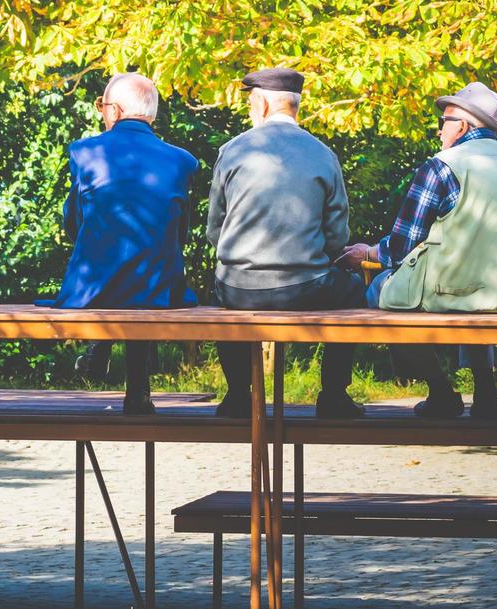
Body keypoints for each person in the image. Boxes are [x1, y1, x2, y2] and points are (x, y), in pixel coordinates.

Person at [340, 82, 497, 419]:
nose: (439, 130)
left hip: (458, 288)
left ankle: (439, 390)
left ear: (463, 126)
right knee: (475, 295)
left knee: (382, 290)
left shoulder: (444, 165)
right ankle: (486, 392)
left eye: (443, 121)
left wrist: (367, 252)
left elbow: (402, 244)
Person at [206, 69, 365, 420]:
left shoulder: (232, 150)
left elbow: (215, 229)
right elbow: (338, 234)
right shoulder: (323, 154)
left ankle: (236, 396)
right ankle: (335, 395)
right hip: (305, 287)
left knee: (219, 290)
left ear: (262, 104)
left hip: (238, 289)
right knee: (354, 290)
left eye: (250, 101)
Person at [40, 73, 198, 415]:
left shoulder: (85, 151)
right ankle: (137, 390)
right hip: (159, 287)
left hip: (94, 285)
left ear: (115, 110)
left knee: (116, 268)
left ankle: (100, 348)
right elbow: (179, 231)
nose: (101, 113)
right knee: (144, 273)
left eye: (102, 105)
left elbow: (74, 221)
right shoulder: (183, 160)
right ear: (151, 116)